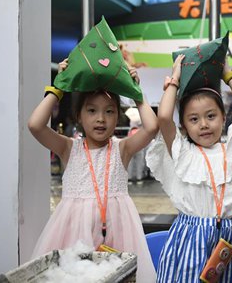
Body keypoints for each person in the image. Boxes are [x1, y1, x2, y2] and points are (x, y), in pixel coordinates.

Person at [28, 59, 158, 282]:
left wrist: (136, 92)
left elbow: (152, 127)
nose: (101, 118)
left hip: (119, 231)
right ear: (79, 115)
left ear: (118, 116)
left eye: (109, 111)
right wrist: (59, 86)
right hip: (73, 232)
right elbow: (35, 125)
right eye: (91, 110)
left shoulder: (123, 148)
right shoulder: (68, 148)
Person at [145, 54, 232, 282]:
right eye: (193, 119)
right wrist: (174, 79)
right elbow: (163, 116)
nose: (203, 124)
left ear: (223, 117)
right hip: (188, 237)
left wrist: (227, 74)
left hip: (227, 240)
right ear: (183, 126)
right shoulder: (182, 153)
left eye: (211, 116)